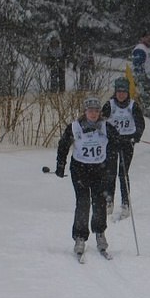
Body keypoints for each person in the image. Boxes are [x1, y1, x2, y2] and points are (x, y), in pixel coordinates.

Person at [55, 96, 121, 257]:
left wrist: (117, 150)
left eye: (96, 111)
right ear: (85, 112)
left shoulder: (106, 127)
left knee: (99, 202)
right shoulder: (74, 127)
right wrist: (60, 165)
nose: (93, 114)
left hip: (99, 169)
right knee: (83, 202)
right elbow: (63, 145)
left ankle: (100, 232)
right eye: (90, 111)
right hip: (80, 169)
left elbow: (116, 143)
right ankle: (80, 237)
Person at [102, 77, 146, 218]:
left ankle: (125, 203)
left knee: (123, 173)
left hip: (127, 142)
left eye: (124, 92)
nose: (121, 94)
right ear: (115, 92)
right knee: (110, 172)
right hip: (112, 142)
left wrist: (135, 136)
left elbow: (140, 124)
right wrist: (109, 135)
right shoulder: (109, 105)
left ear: (128, 93)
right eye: (119, 92)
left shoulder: (133, 106)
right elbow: (101, 123)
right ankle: (109, 201)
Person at [131, 31, 150, 109]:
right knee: (142, 102)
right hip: (144, 81)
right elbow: (138, 67)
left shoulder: (147, 49)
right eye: (147, 38)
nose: (149, 39)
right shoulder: (140, 48)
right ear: (142, 38)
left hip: (149, 80)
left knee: (147, 102)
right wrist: (142, 81)